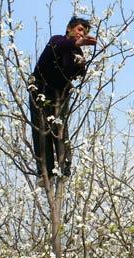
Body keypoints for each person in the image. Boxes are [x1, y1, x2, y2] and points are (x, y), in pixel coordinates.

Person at [28, 16, 96, 186]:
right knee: (41, 131)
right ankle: (46, 172)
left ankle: (64, 167)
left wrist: (81, 66)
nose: (82, 33)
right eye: (80, 29)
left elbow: (75, 75)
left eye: (85, 32)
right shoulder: (57, 40)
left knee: (59, 130)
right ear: (69, 28)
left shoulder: (77, 53)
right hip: (41, 90)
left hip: (60, 95)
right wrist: (76, 44)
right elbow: (58, 47)